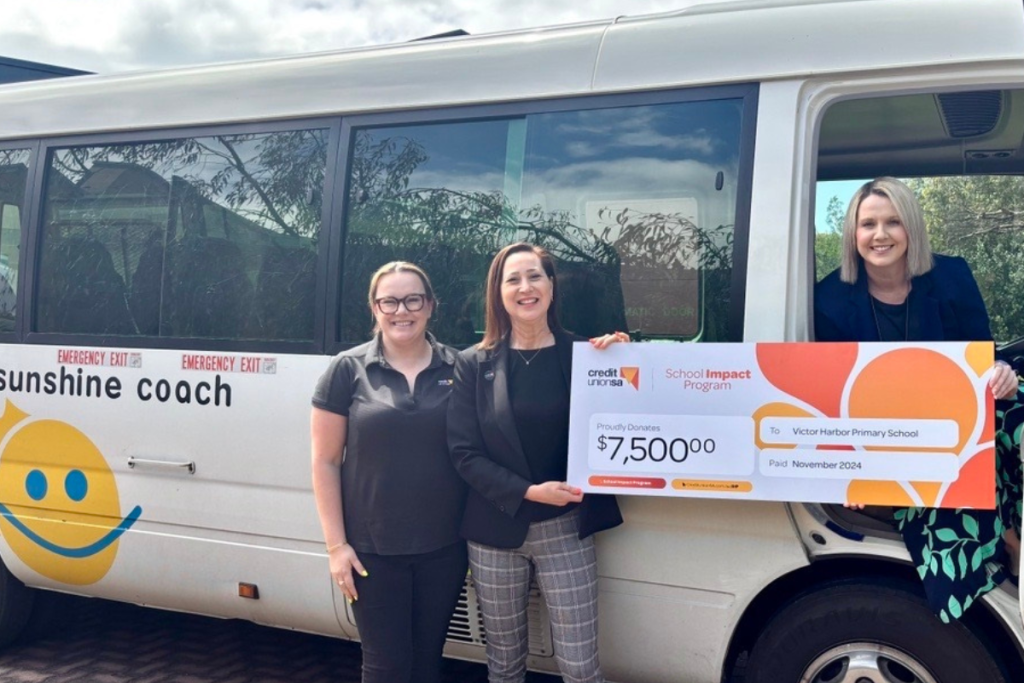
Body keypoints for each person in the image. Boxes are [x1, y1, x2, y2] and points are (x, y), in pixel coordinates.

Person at [815, 177, 1021, 622]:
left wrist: (1004, 373)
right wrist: (850, 470)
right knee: (949, 476)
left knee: (1016, 409)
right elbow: (834, 399)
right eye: (867, 224)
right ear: (854, 234)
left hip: (964, 414)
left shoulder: (951, 276)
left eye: (893, 222)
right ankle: (1008, 539)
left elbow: (983, 358)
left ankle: (1011, 536)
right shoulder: (829, 299)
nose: (880, 234)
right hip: (895, 436)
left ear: (912, 227)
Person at [447, 242, 626, 683]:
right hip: (494, 533)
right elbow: (463, 454)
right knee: (505, 666)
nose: (525, 287)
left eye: (535, 276)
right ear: (498, 292)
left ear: (551, 286)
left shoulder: (589, 355)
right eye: (513, 279)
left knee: (581, 667)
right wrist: (528, 491)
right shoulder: (473, 364)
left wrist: (627, 359)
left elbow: (626, 419)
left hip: (565, 529)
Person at [310, 261, 467, 683]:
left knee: (426, 664)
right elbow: (324, 461)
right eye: (390, 301)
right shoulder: (347, 369)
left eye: (413, 299)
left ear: (430, 305)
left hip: (445, 548)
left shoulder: (460, 368)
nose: (402, 310)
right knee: (387, 668)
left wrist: (610, 352)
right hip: (371, 552)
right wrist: (336, 547)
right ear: (374, 308)